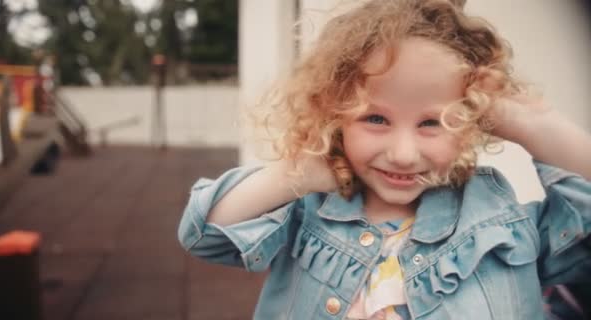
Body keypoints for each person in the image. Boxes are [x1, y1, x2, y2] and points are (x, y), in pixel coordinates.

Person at [178, 0, 591, 319]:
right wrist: (297, 174)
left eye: (431, 122)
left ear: (467, 122)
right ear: (336, 115)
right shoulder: (311, 210)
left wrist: (536, 126)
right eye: (375, 118)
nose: (403, 154)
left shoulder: (501, 218)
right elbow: (204, 232)